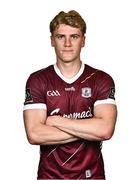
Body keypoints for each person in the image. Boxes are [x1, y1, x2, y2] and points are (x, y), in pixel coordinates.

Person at [23, 10, 117, 179]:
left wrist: (57, 121)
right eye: (60, 37)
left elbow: (105, 130)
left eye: (74, 36)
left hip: (91, 175)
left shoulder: (101, 79)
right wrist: (87, 129)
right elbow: (34, 133)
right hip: (49, 176)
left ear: (83, 41)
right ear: (52, 40)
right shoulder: (38, 80)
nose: (67, 43)